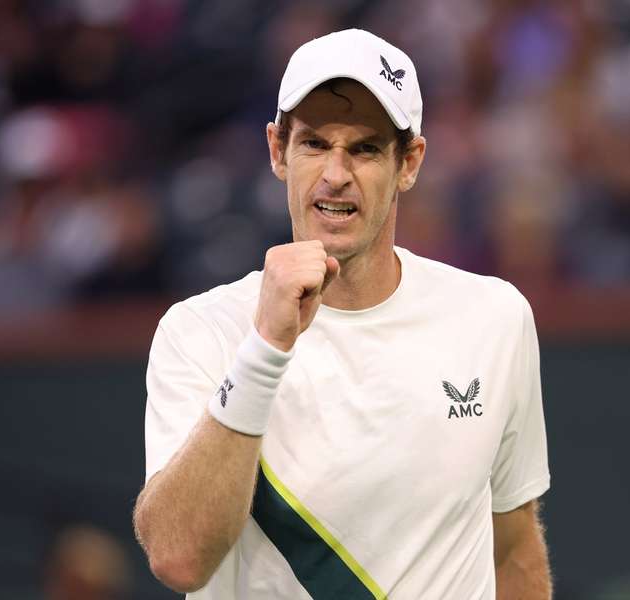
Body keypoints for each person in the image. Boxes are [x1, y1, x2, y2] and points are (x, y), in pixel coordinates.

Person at [133, 29, 552, 599]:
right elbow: (178, 558)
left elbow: (514, 548)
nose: (336, 173)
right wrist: (265, 348)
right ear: (278, 151)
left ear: (409, 163)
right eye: (314, 144)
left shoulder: (495, 317)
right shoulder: (201, 332)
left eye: (365, 148)